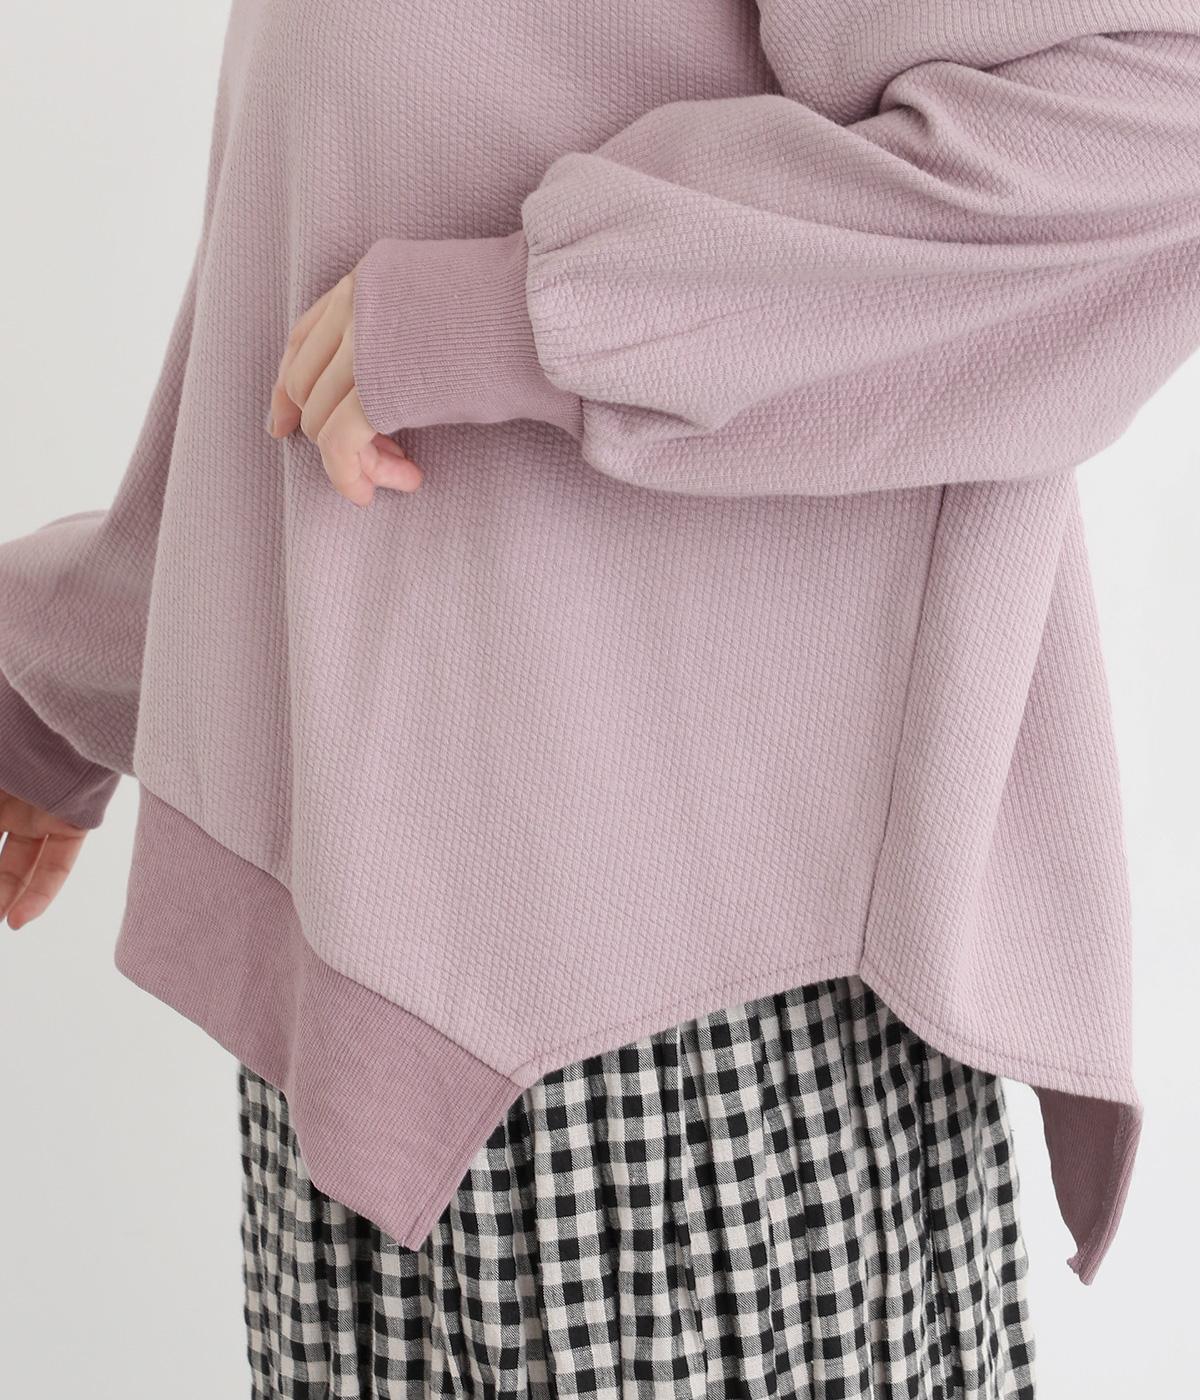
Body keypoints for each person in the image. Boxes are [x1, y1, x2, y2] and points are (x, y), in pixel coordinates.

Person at [3, 2, 1198, 1395]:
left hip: (689, 1076)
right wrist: (64, 675)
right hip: (379, 1038)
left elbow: (1147, 120)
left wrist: (552, 310)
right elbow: (309, 291)